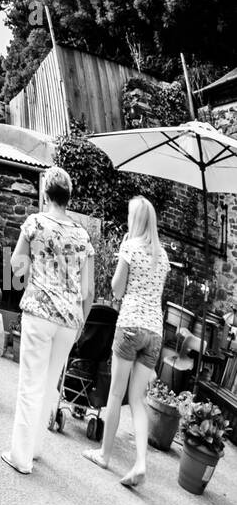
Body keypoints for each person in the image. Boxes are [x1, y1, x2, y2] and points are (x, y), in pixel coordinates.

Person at [3, 167, 93, 474]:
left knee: (30, 383)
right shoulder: (82, 235)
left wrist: (30, 270)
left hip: (39, 312)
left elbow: (15, 265)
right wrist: (81, 322)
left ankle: (21, 457)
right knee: (50, 384)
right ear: (69, 198)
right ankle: (35, 448)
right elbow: (89, 289)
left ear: (45, 194)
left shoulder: (35, 223)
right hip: (69, 320)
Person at [83, 196, 171, 487]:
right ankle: (141, 464)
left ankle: (105, 455)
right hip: (154, 333)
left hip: (131, 324)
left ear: (136, 220)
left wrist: (123, 250)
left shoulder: (130, 247)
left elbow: (117, 289)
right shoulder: (163, 256)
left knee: (116, 393)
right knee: (137, 399)